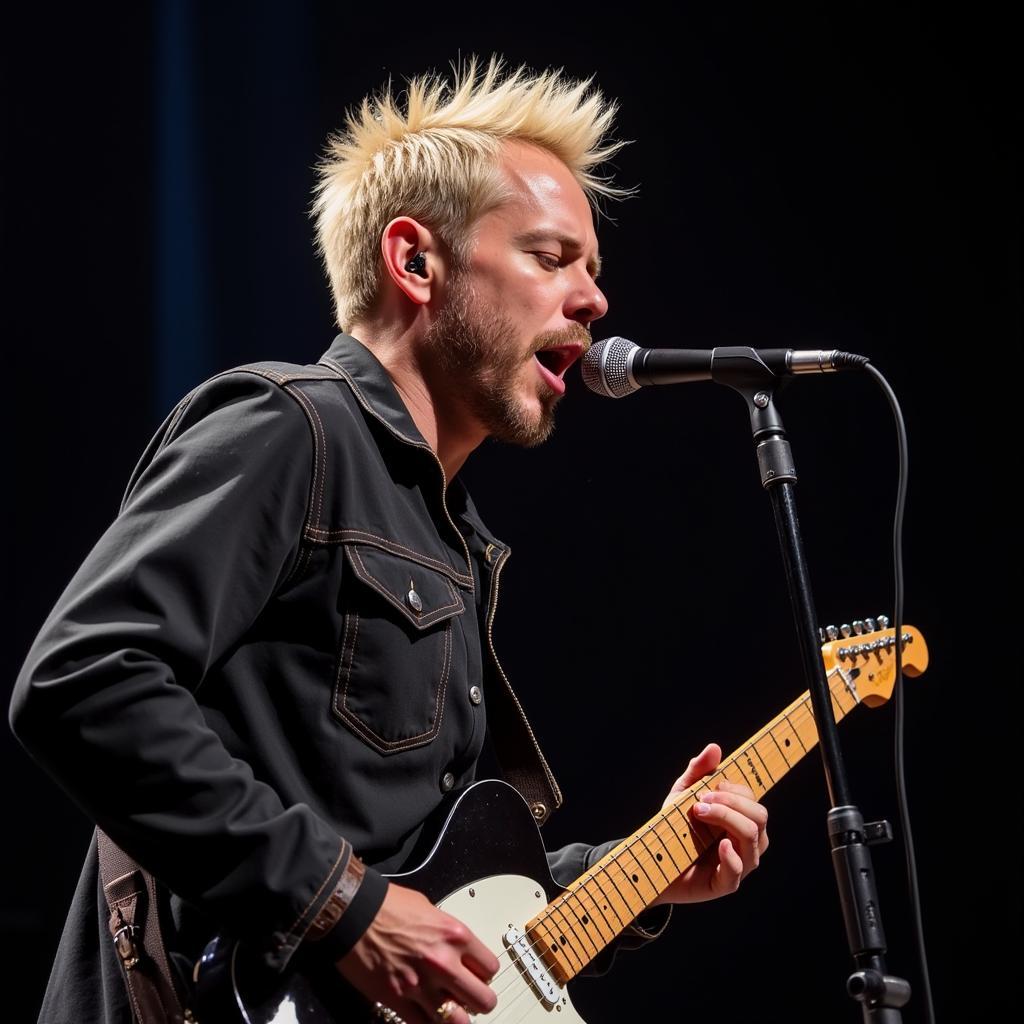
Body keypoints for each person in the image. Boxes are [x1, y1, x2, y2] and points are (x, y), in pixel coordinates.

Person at [10, 56, 769, 1024]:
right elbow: (83, 677)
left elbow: (433, 885)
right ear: (414, 261)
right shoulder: (291, 426)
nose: (593, 299)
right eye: (550, 256)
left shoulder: (452, 537)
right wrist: (341, 906)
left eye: (592, 268)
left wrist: (640, 868)